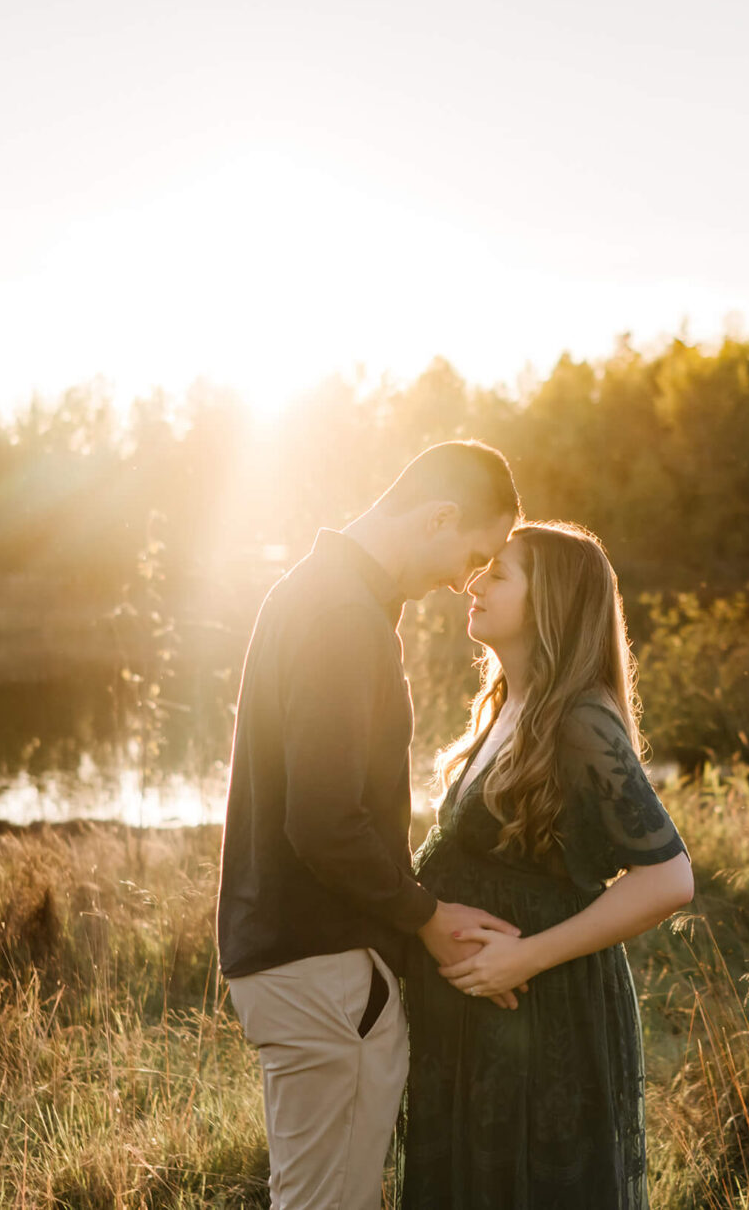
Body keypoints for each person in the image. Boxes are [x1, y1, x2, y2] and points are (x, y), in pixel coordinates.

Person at [217, 440, 526, 1210]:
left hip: (298, 963)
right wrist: (426, 915)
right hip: (325, 968)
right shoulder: (340, 616)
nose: (466, 581)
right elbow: (323, 820)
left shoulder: (316, 593)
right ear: (440, 517)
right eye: (474, 555)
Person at [400, 521, 695, 1209]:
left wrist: (525, 957)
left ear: (550, 604)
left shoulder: (581, 720)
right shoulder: (506, 703)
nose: (473, 582)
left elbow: (668, 877)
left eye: (498, 574)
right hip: (479, 1022)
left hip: (542, 1017)